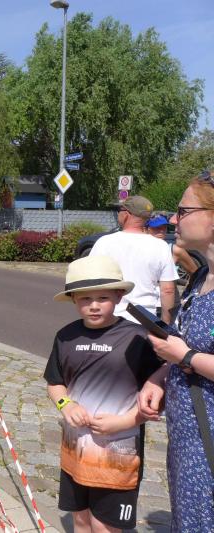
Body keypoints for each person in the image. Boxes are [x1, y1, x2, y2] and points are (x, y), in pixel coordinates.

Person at [45, 255, 163, 532]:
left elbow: (155, 396)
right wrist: (66, 405)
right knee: (80, 518)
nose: (94, 305)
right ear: (73, 299)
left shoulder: (137, 337)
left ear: (119, 295)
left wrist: (124, 422)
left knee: (104, 525)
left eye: (103, 297)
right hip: (75, 449)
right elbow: (55, 383)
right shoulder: (65, 336)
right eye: (85, 299)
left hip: (118, 453)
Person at [138, 171, 214, 531]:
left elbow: (187, 352)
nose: (172, 219)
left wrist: (183, 356)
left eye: (183, 211)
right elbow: (186, 345)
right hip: (189, 444)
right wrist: (160, 377)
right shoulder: (201, 278)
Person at [90, 195, 178, 324]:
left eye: (119, 210)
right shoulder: (161, 246)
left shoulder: (104, 243)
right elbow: (168, 290)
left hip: (110, 318)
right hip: (145, 319)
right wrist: (165, 325)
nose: (118, 214)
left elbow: (91, 281)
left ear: (126, 214)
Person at [144, 213, 199, 279]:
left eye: (164, 227)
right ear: (145, 230)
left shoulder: (174, 250)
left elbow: (197, 274)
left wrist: (190, 285)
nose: (161, 231)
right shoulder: (137, 249)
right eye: (157, 228)